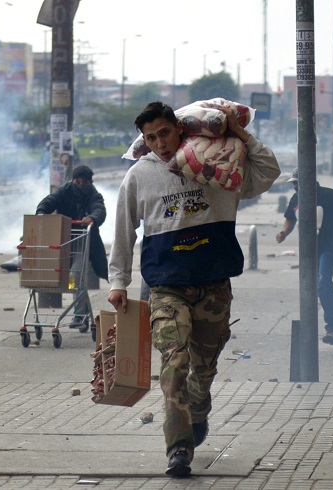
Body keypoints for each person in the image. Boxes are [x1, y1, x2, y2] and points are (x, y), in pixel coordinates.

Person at [107, 101, 280, 477]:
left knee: (203, 368)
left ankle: (198, 408)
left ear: (180, 129)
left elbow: (268, 171)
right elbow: (123, 229)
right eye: (150, 137)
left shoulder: (218, 165)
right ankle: (178, 449)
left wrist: (239, 132)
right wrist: (118, 281)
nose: (159, 143)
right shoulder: (139, 175)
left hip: (213, 284)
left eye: (164, 133)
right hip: (166, 287)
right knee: (174, 362)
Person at [275, 168, 333, 345]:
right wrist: (283, 232)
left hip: (330, 248)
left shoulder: (328, 195)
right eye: (293, 184)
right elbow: (290, 218)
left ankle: (331, 329)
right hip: (310, 252)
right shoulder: (296, 198)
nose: (294, 186)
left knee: (323, 285)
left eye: (296, 183)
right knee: (322, 287)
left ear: (308, 182)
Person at [37, 165, 108, 323]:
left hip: (81, 241)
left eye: (85, 182)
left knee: (75, 276)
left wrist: (92, 218)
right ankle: (83, 311)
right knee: (56, 275)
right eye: (78, 181)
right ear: (73, 180)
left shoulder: (94, 195)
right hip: (62, 240)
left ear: (90, 182)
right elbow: (49, 201)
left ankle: (80, 314)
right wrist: (42, 213)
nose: (81, 185)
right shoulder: (64, 191)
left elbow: (99, 209)